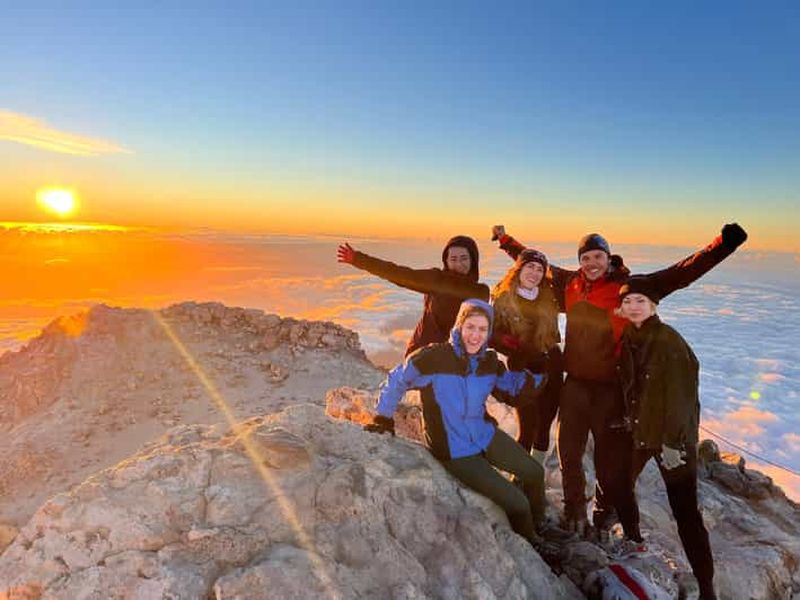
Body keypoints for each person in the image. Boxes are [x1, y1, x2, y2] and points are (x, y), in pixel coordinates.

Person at [491, 223, 748, 538]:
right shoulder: (570, 283)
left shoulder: (628, 287)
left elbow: (678, 274)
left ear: (608, 257)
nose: (592, 264)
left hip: (611, 389)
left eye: (598, 257)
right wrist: (505, 241)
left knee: (607, 462)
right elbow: (530, 261)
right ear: (580, 261)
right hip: (575, 385)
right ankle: (574, 510)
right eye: (586, 258)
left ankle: (603, 512)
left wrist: (723, 245)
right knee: (568, 452)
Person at [363, 299, 556, 549]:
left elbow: (513, 387)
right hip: (454, 449)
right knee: (517, 502)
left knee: (534, 473)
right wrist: (383, 416)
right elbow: (398, 379)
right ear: (459, 326)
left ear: (489, 333)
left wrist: (539, 368)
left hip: (483, 433)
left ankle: (540, 524)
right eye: (470, 327)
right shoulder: (434, 357)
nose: (475, 336)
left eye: (482, 329)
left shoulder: (488, 363)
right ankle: (534, 544)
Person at [616, 277, 717, 600]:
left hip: (672, 440)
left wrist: (674, 444)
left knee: (685, 512)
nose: (633, 307)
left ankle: (706, 587)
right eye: (628, 301)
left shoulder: (669, 342)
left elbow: (681, 399)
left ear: (654, 305)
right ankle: (634, 539)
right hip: (642, 432)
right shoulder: (631, 336)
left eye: (640, 301)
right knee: (619, 483)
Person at [337, 236, 489, 356]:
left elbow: (486, 327)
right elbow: (398, 273)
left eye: (464, 258)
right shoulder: (437, 280)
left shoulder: (481, 292)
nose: (458, 264)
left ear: (473, 260)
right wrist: (358, 259)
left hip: (458, 361)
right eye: (453, 259)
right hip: (423, 356)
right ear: (446, 261)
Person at [490, 248, 563, 462]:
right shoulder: (503, 299)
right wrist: (514, 348)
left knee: (543, 428)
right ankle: (521, 476)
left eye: (540, 269)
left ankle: (535, 477)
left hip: (551, 365)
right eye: (530, 266)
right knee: (527, 428)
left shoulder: (549, 298)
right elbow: (492, 335)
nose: (535, 272)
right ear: (519, 269)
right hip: (523, 370)